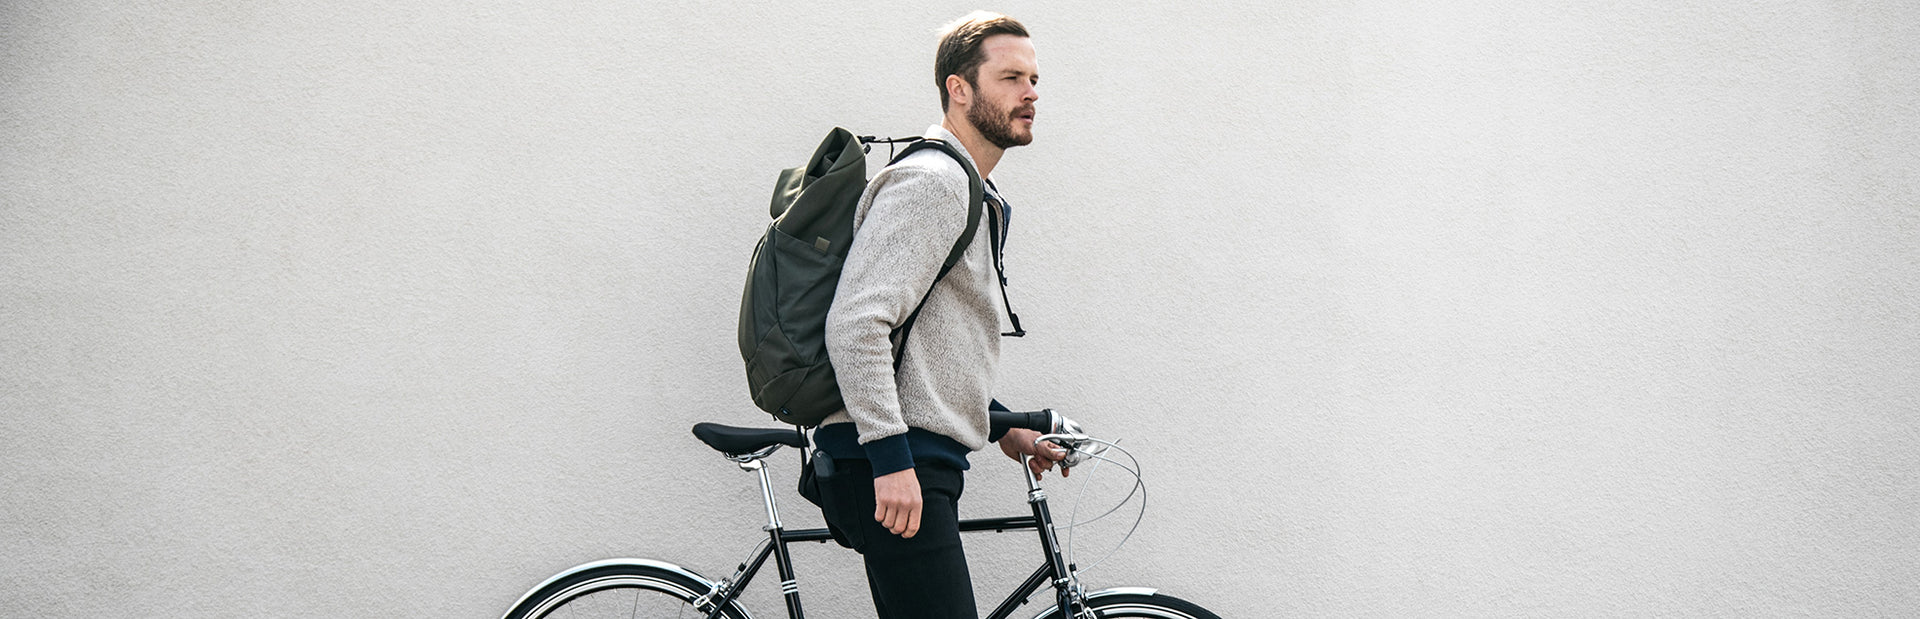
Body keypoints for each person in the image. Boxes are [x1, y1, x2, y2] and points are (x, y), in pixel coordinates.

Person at [814, 11, 1065, 619]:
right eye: (1010, 77)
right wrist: (891, 460)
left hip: (916, 457)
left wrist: (1002, 424)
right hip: (896, 461)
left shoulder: (971, 189)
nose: (1030, 92)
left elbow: (930, 346)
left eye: (1034, 78)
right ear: (959, 88)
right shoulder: (933, 183)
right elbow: (856, 324)